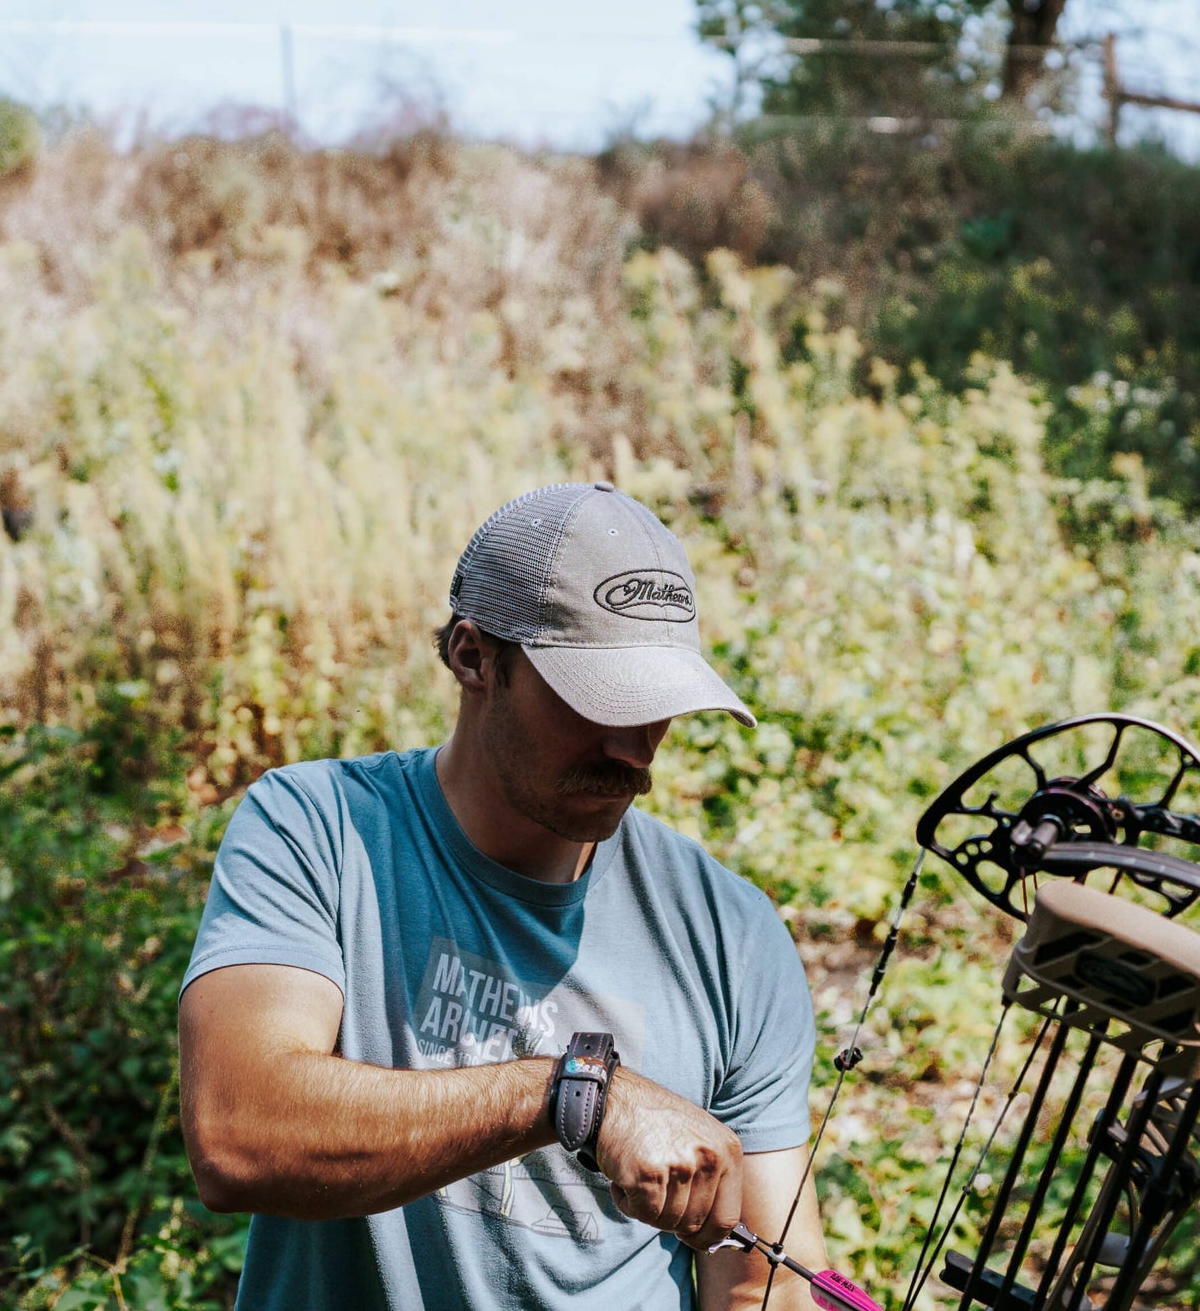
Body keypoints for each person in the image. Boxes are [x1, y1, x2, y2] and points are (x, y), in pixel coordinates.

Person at [178, 481, 827, 1310]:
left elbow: (762, 1280)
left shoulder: (730, 932)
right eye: (598, 699)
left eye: (660, 704)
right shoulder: (320, 828)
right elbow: (240, 1134)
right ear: (473, 656)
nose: (634, 748)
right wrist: (572, 1094)